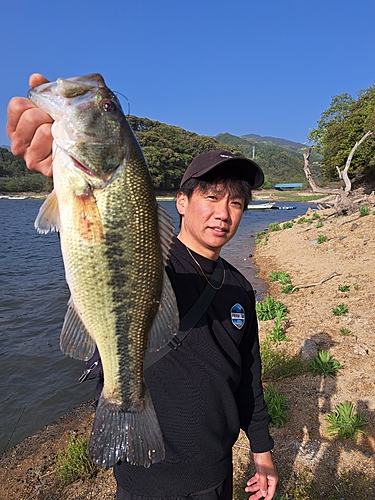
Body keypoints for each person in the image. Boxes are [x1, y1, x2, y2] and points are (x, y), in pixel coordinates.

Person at [7, 74, 278, 500]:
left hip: (216, 471)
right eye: (211, 196)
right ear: (182, 202)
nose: (224, 213)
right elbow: (100, 246)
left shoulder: (240, 288)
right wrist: (54, 166)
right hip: (147, 481)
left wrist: (261, 449)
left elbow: (248, 375)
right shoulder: (159, 263)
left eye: (237, 202)